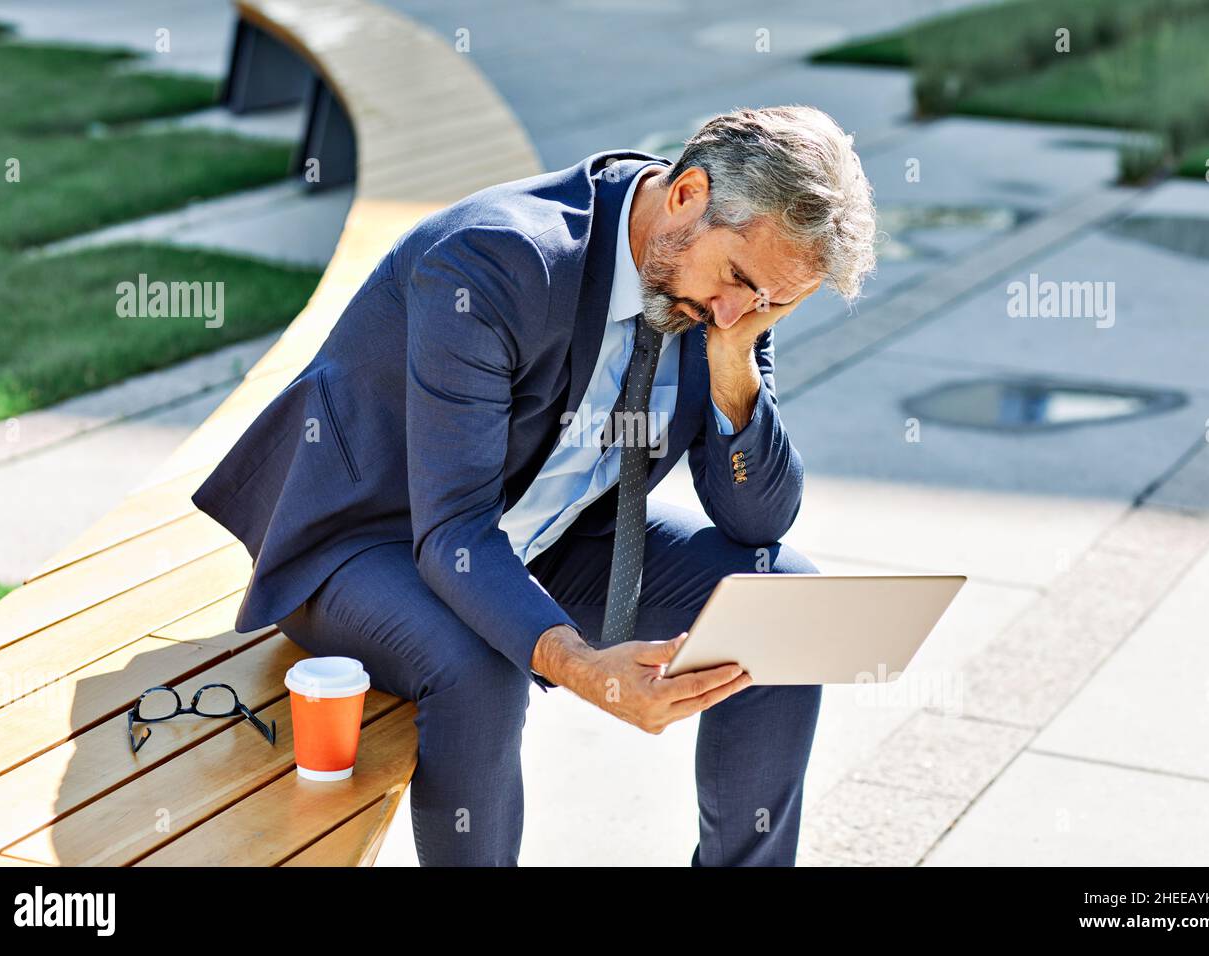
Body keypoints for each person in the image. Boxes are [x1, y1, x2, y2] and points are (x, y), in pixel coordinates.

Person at [192, 105, 877, 865]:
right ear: (686, 194)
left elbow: (759, 520)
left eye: (774, 303)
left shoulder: (734, 300)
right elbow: (454, 532)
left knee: (778, 600)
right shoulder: (497, 261)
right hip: (368, 540)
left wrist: (736, 362)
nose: (737, 312)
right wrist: (585, 668)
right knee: (480, 660)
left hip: (542, 531)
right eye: (741, 284)